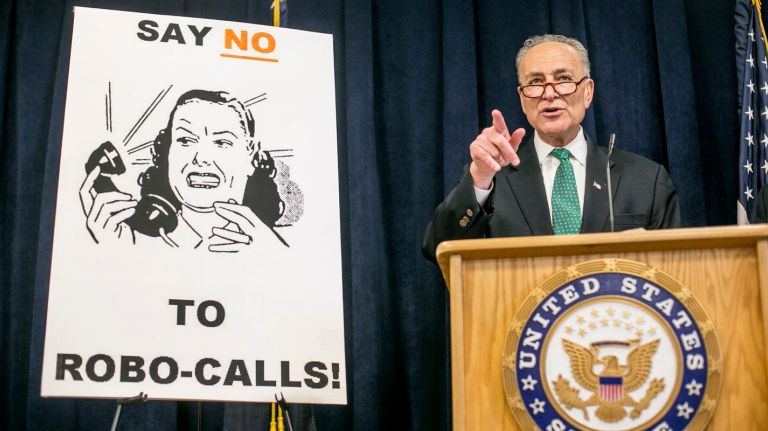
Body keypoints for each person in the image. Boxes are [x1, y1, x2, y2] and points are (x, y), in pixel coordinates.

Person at [423, 34, 681, 262]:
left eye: (564, 79)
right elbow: (438, 249)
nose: (549, 93)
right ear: (523, 99)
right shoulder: (492, 177)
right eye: (535, 82)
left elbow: (673, 271)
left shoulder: (646, 179)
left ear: (588, 91)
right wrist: (478, 179)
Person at [80, 89, 287, 251]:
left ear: (250, 153)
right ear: (168, 151)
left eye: (222, 142)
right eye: (186, 140)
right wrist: (108, 254)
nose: (201, 159)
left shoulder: (279, 248)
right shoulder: (129, 241)